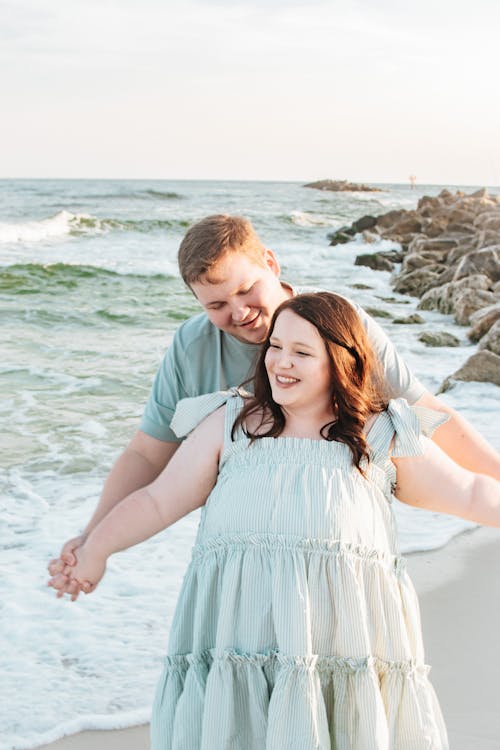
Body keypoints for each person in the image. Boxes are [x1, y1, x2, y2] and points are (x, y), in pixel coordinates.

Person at [48, 292, 500, 749]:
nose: (282, 362)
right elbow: (157, 501)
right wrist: (96, 548)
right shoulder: (233, 425)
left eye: (302, 352)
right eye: (276, 347)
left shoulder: (377, 434)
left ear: (343, 362)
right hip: (238, 642)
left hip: (339, 647)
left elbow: (470, 491)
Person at [48, 214, 500, 591]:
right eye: (217, 305)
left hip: (336, 551)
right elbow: (151, 463)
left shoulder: (335, 323)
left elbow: (430, 420)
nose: (239, 312)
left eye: (246, 290)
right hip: (246, 561)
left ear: (270, 262)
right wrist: (92, 540)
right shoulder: (196, 352)